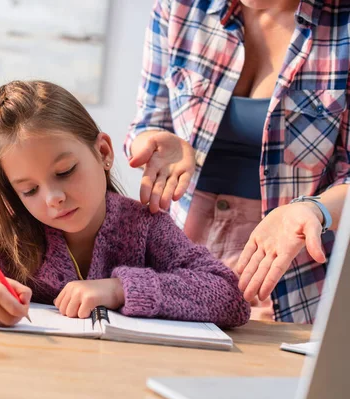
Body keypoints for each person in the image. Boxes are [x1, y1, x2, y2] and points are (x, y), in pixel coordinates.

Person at [0, 80, 250, 328]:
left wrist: (118, 289)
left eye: (65, 171)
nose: (53, 198)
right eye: (29, 190)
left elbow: (228, 296)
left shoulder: (146, 225)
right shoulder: (8, 232)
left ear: (104, 153)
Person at [125, 0, 349, 323]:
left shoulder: (341, 26)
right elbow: (147, 122)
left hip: (285, 272)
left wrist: (314, 209)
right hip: (178, 261)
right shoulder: (180, 8)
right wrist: (153, 143)